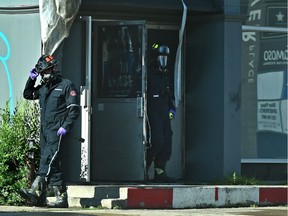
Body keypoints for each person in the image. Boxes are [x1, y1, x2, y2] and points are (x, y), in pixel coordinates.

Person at [20, 54, 80, 208]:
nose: (43, 75)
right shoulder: (43, 89)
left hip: (57, 130)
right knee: (54, 163)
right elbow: (27, 94)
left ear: (53, 69)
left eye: (45, 72)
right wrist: (31, 79)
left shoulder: (66, 85)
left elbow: (73, 110)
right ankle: (61, 198)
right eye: (41, 73)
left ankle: (35, 190)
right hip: (45, 130)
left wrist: (65, 127)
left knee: (47, 159)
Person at [146, 43, 176, 182]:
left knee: (167, 140)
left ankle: (160, 171)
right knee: (157, 140)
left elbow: (169, 93)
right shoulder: (148, 73)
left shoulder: (165, 74)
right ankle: (145, 166)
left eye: (165, 58)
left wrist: (172, 108)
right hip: (152, 110)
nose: (163, 61)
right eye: (161, 58)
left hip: (164, 111)